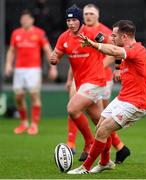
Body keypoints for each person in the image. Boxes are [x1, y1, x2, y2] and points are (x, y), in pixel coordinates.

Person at [67, 19, 146, 174]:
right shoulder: (127, 48)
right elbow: (117, 52)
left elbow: (114, 51)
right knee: (100, 127)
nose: (112, 38)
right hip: (123, 98)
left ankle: (85, 168)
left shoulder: (137, 50)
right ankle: (105, 162)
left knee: (103, 131)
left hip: (136, 103)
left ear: (125, 37)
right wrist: (118, 68)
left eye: (114, 36)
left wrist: (94, 44)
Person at [66, 3, 130, 164]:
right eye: (86, 13)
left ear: (98, 16)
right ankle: (116, 148)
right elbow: (74, 57)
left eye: (91, 14)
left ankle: (111, 148)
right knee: (82, 109)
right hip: (84, 78)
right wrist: (69, 78)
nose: (88, 16)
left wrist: (97, 68)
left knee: (102, 118)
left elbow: (115, 50)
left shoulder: (103, 32)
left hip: (101, 78)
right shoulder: (78, 33)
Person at [49, 5, 109, 162]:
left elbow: (112, 46)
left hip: (95, 81)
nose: (71, 23)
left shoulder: (93, 33)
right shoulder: (64, 37)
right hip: (82, 83)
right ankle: (106, 160)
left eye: (74, 20)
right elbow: (56, 55)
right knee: (101, 124)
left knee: (72, 108)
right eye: (68, 20)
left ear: (80, 20)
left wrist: (115, 66)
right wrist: (53, 59)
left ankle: (89, 142)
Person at [5, 10, 57, 135]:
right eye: (23, 19)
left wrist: (53, 67)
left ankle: (34, 124)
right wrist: (8, 64)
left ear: (32, 20)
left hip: (33, 69)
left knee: (34, 95)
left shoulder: (39, 33)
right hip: (19, 69)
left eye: (27, 19)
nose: (25, 21)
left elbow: (47, 50)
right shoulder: (16, 33)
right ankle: (24, 123)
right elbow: (11, 50)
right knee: (18, 96)